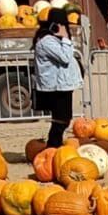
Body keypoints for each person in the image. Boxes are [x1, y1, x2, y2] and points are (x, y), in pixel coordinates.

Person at [33, 8, 82, 148]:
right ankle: (52, 148)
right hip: (56, 87)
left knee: (64, 119)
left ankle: (55, 146)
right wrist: (65, 38)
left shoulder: (55, 40)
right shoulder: (47, 41)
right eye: (63, 26)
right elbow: (65, 58)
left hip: (62, 86)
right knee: (61, 120)